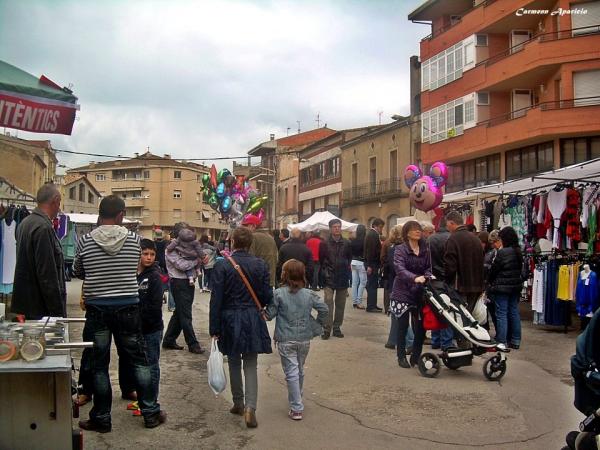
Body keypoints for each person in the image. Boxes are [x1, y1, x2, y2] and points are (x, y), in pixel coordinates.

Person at [74, 195, 165, 432]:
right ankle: (150, 412)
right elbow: (135, 266)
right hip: (128, 308)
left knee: (99, 365)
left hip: (97, 310)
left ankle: (102, 418)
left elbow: (78, 270)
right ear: (121, 215)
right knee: (139, 362)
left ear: (99, 214)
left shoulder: (84, 241)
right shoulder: (135, 240)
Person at [209, 226, 273, 428]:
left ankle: (238, 402)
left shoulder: (223, 265)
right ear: (250, 243)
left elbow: (216, 299)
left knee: (234, 361)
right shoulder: (260, 264)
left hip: (229, 317)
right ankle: (250, 408)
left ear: (233, 242)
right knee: (251, 364)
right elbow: (266, 295)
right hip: (252, 317)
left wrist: (214, 327)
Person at [265, 259, 328, 421]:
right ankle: (297, 398)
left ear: (284, 274)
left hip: (286, 338)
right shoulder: (309, 294)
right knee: (299, 369)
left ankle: (296, 407)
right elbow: (324, 308)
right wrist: (318, 323)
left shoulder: (278, 293)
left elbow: (269, 315)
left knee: (292, 372)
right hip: (304, 338)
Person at [123, 239, 165, 416]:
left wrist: (139, 319)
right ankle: (142, 399)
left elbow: (154, 306)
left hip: (151, 329)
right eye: (145, 254)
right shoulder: (133, 273)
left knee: (151, 366)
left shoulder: (155, 276)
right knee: (140, 367)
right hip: (136, 329)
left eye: (152, 254)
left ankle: (150, 401)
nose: (148, 258)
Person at [12, 184, 66, 319]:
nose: (59, 208)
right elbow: (47, 274)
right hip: (42, 311)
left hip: (29, 306)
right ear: (55, 200)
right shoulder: (43, 227)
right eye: (59, 203)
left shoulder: (25, 223)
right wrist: (58, 313)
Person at [390, 220, 431, 369]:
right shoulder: (400, 249)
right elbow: (399, 269)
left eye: (419, 229)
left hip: (419, 292)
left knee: (421, 326)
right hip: (402, 291)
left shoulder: (425, 249)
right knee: (402, 326)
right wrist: (414, 278)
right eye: (414, 229)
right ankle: (401, 356)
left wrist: (427, 276)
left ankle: (416, 355)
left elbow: (428, 267)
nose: (418, 231)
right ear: (407, 233)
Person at [162, 222, 204, 354]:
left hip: (187, 283)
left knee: (180, 312)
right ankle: (193, 344)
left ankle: (169, 340)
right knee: (185, 314)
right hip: (179, 283)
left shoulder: (189, 247)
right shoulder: (170, 249)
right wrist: (198, 261)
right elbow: (182, 265)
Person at [487, 226, 523, 350]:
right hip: (515, 286)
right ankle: (516, 340)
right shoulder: (518, 251)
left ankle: (502, 341)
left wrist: (490, 282)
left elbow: (494, 270)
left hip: (502, 287)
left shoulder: (503, 252)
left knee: (501, 313)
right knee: (513, 311)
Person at [444, 211, 485, 312]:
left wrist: (447, 283)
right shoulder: (476, 239)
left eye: (447, 224)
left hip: (461, 286)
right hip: (476, 285)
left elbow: (450, 266)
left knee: (460, 318)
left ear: (452, 223)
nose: (447, 228)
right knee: (469, 316)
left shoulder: (453, 239)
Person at [382, 224, 414, 353]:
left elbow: (393, 268)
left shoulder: (394, 249)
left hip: (396, 284)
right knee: (396, 313)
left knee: (398, 313)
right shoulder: (408, 249)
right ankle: (392, 340)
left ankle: (410, 341)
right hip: (406, 283)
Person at [319, 218, 352, 339]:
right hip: (329, 276)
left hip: (342, 276)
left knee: (340, 304)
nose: (337, 228)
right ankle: (327, 328)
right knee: (328, 303)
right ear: (330, 229)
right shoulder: (324, 243)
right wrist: (324, 273)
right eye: (334, 227)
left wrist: (345, 270)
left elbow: (349, 258)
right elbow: (322, 259)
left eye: (339, 226)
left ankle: (337, 327)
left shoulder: (347, 243)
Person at [427, 217, 454, 351]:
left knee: (436, 309)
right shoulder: (451, 238)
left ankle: (435, 340)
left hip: (433, 279)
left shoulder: (430, 239)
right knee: (447, 310)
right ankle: (446, 342)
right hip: (447, 279)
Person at [244, 215, 279, 288]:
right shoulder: (270, 238)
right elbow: (277, 258)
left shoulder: (252, 237)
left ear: (253, 226)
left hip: (257, 280)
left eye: (246, 225)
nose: (244, 228)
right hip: (270, 279)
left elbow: (249, 259)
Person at [364, 218, 384, 312]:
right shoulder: (373, 235)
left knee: (373, 284)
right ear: (375, 226)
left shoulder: (372, 234)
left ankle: (373, 304)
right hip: (372, 264)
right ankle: (371, 306)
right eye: (380, 227)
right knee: (372, 285)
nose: (381, 229)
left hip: (372, 264)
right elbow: (371, 251)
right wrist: (370, 265)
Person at [350, 224, 367, 309]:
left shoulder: (353, 240)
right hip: (361, 262)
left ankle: (354, 301)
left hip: (353, 261)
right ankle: (359, 302)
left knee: (354, 283)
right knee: (363, 282)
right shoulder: (365, 241)